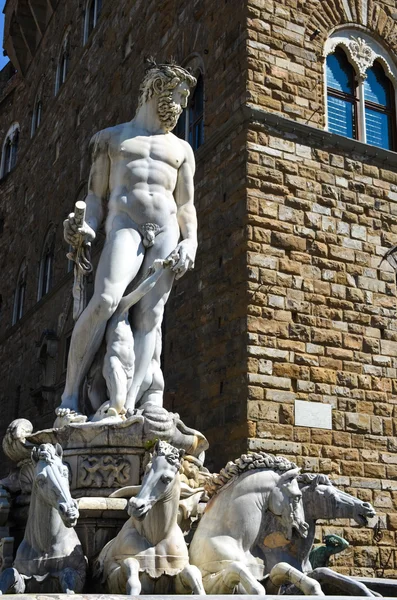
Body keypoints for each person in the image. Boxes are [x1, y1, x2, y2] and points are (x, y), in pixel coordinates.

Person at [57, 62, 198, 422]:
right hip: (125, 223)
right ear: (157, 90)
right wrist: (85, 227)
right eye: (179, 96)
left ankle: (129, 405)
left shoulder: (182, 149)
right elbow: (94, 196)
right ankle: (70, 394)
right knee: (105, 300)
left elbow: (185, 205)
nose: (182, 106)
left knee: (152, 316)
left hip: (166, 228)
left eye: (185, 100)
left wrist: (191, 242)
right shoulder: (111, 139)